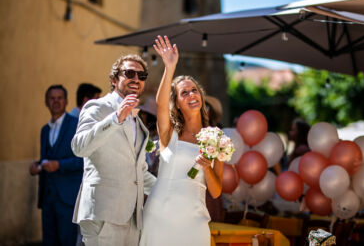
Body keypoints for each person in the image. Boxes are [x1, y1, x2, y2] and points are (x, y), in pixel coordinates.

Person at [139, 35, 224, 246]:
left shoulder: (216, 138)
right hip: (160, 214)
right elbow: (160, 106)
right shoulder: (170, 134)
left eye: (194, 90)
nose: (191, 94)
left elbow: (216, 191)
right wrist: (169, 67)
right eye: (184, 92)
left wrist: (206, 167)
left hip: (194, 219)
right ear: (176, 103)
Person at [71, 54, 156, 245]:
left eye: (141, 76)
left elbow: (139, 172)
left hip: (133, 218)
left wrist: (167, 190)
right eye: (130, 73)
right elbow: (79, 147)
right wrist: (116, 118)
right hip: (103, 213)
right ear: (114, 79)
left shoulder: (138, 122)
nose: (136, 79)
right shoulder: (97, 107)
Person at [29, 84, 83, 246]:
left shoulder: (75, 125)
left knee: (67, 241)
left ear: (66, 101)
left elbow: (83, 160)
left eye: (59, 98)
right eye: (52, 99)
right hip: (47, 198)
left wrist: (59, 165)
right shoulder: (44, 130)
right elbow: (47, 158)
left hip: (67, 199)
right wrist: (36, 165)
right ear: (46, 102)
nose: (56, 102)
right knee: (49, 242)